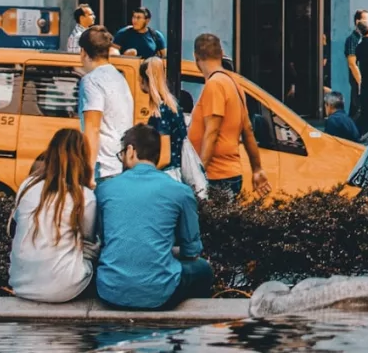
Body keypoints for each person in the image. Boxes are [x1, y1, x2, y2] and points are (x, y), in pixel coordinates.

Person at [95, 126, 214, 310]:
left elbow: (104, 240)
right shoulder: (180, 191)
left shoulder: (105, 190)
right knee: (203, 269)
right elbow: (191, 251)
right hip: (160, 293)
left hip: (111, 291)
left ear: (130, 151)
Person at [9, 127, 97, 303]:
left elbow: (14, 228)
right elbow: (89, 242)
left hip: (20, 284)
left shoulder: (27, 185)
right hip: (65, 289)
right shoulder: (84, 196)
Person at [188, 33, 269, 198]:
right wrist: (257, 168)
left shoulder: (214, 84)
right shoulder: (233, 83)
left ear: (196, 57)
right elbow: (247, 130)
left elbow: (212, 132)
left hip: (216, 176)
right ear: (221, 53)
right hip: (229, 173)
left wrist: (199, 174)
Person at [78, 25, 135, 182]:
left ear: (83, 52)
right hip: (121, 163)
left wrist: (88, 173)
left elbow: (93, 128)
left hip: (103, 167)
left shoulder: (91, 80)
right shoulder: (119, 77)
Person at [140, 56, 190, 179]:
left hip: (167, 174)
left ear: (144, 80)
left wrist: (146, 175)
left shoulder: (159, 112)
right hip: (178, 172)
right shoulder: (173, 106)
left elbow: (165, 157)